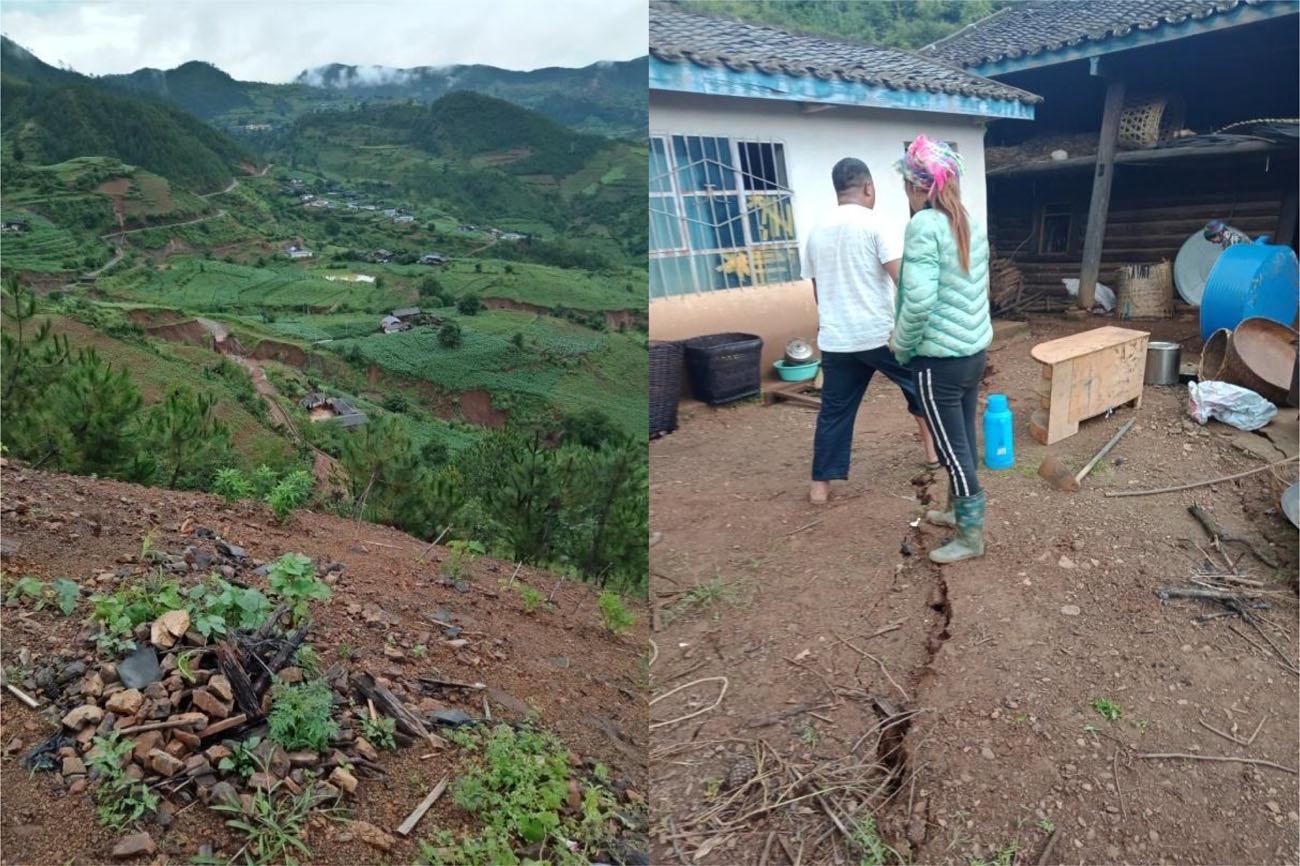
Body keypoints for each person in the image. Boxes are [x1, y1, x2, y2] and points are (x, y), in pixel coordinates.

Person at [805, 156, 940, 505]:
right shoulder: (876, 224)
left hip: (837, 339)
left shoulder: (816, 231)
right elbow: (903, 282)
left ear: (837, 189)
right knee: (921, 390)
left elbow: (819, 292)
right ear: (868, 187)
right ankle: (933, 454)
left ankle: (820, 486)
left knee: (834, 412)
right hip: (882, 336)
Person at [890, 136, 992, 564]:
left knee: (953, 449)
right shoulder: (966, 221)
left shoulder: (924, 225)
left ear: (918, 187)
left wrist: (901, 344)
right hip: (972, 355)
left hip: (938, 361)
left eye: (906, 186)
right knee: (963, 437)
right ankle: (953, 511)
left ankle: (971, 536)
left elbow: (918, 300)